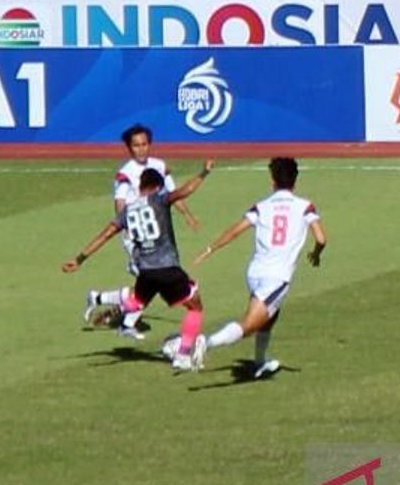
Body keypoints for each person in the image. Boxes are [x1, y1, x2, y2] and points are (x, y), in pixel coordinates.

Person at [179, 158, 326, 379]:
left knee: (271, 316)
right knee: (248, 325)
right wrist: (315, 254)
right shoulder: (305, 206)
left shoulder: (262, 206)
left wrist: (210, 249)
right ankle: (206, 343)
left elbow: (235, 231)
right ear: (295, 182)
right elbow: (322, 239)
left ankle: (260, 362)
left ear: (273, 182)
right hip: (277, 278)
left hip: (255, 273)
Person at [64, 160, 215, 372]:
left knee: (138, 300)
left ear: (140, 186)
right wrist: (204, 172)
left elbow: (105, 235)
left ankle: (101, 302)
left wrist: (79, 259)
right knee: (195, 306)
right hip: (168, 267)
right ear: (157, 186)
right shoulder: (160, 200)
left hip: (146, 270)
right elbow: (186, 190)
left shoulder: (127, 211)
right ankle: (182, 354)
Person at [81, 124, 200, 331]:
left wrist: (187, 215)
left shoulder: (159, 166)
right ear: (129, 148)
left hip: (157, 232)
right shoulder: (126, 173)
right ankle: (123, 318)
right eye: (136, 146)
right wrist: (127, 233)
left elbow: (172, 194)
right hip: (137, 236)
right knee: (151, 278)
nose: (141, 149)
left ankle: (106, 304)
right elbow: (120, 203)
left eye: (144, 144)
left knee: (149, 282)